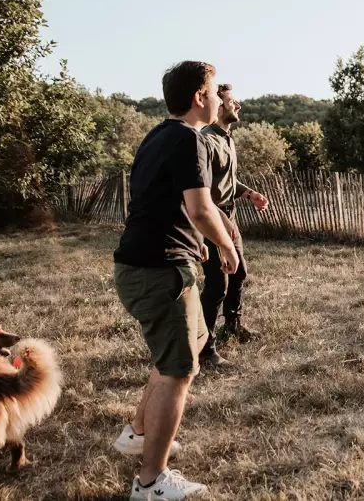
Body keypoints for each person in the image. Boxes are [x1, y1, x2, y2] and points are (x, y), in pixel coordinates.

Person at [111, 61, 239, 499]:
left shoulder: (157, 136)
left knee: (193, 342)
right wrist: (225, 246)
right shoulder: (190, 140)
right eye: (213, 91)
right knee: (177, 371)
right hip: (158, 272)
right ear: (199, 97)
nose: (219, 99)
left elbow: (166, 201)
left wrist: (192, 242)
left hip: (143, 264)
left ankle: (138, 433)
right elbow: (203, 209)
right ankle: (151, 482)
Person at [198, 83, 269, 367]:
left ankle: (234, 325)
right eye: (231, 101)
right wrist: (220, 219)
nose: (237, 106)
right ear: (218, 105)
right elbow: (200, 189)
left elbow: (227, 180)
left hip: (230, 217)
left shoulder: (227, 138)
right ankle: (204, 347)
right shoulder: (206, 140)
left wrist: (249, 193)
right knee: (217, 283)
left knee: (238, 273)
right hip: (210, 219)